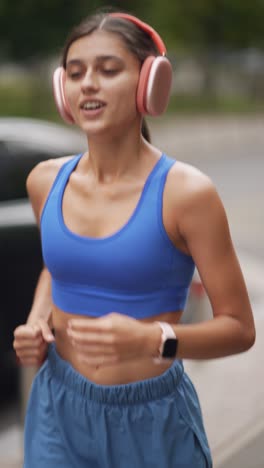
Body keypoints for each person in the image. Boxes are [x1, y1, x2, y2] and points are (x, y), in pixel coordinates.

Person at [13, 8, 255, 468]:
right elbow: (58, 266)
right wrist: (36, 321)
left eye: (108, 70)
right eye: (76, 71)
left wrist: (151, 339)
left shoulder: (187, 193)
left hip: (152, 420)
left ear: (150, 84)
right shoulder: (44, 181)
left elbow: (240, 329)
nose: (88, 84)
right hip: (57, 411)